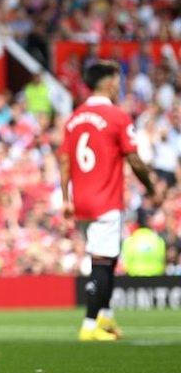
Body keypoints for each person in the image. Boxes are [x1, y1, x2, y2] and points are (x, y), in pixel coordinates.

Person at [59, 60, 162, 342]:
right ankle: (90, 325)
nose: (119, 86)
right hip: (105, 198)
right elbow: (135, 159)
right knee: (102, 263)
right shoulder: (117, 116)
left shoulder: (74, 118)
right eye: (117, 81)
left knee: (108, 258)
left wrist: (66, 198)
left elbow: (65, 160)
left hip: (81, 201)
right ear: (107, 83)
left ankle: (106, 316)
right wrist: (151, 187)